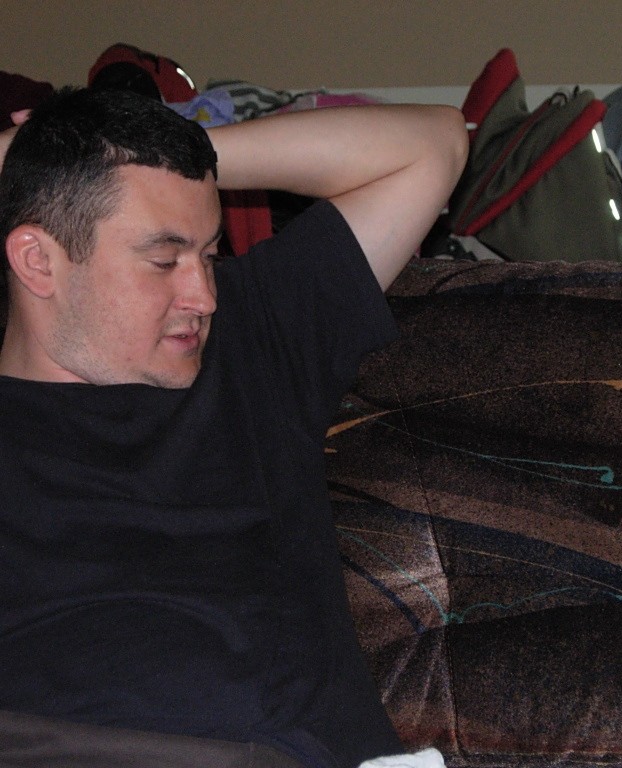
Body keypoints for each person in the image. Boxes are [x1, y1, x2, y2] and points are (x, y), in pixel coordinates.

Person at [0, 86, 467, 767]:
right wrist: (43, 167)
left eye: (209, 255)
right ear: (37, 261)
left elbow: (433, 145)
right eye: (164, 260)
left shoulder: (253, 343)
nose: (202, 296)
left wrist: (154, 153)